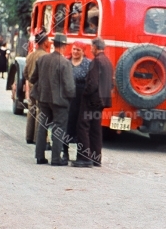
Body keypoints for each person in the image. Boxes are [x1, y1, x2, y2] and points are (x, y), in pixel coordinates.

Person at [30, 33, 76, 166]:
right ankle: (56, 159)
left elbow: (33, 78)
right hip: (60, 102)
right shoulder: (65, 63)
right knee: (59, 128)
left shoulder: (42, 59)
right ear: (64, 46)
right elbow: (69, 86)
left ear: (53, 44)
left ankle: (40, 156)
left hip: (43, 98)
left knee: (42, 126)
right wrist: (71, 97)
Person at [74, 38, 113, 167]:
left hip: (91, 99)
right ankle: (96, 158)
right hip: (102, 101)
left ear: (96, 47)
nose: (90, 49)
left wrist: (85, 93)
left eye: (91, 47)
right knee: (96, 129)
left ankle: (84, 158)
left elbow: (92, 83)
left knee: (83, 126)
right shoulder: (107, 62)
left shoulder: (96, 62)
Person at [64, 41, 91, 161]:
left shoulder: (88, 64)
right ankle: (65, 152)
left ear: (83, 52)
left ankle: (79, 154)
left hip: (81, 100)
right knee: (67, 126)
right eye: (74, 49)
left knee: (79, 127)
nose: (75, 52)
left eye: (78, 50)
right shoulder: (66, 62)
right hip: (67, 99)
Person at [24, 30, 51, 144]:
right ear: (45, 43)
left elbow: (25, 73)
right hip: (41, 87)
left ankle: (29, 136)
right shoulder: (46, 56)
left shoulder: (30, 55)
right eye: (48, 41)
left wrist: (30, 81)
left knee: (31, 109)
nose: (49, 43)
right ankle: (38, 138)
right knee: (40, 112)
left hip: (31, 85)